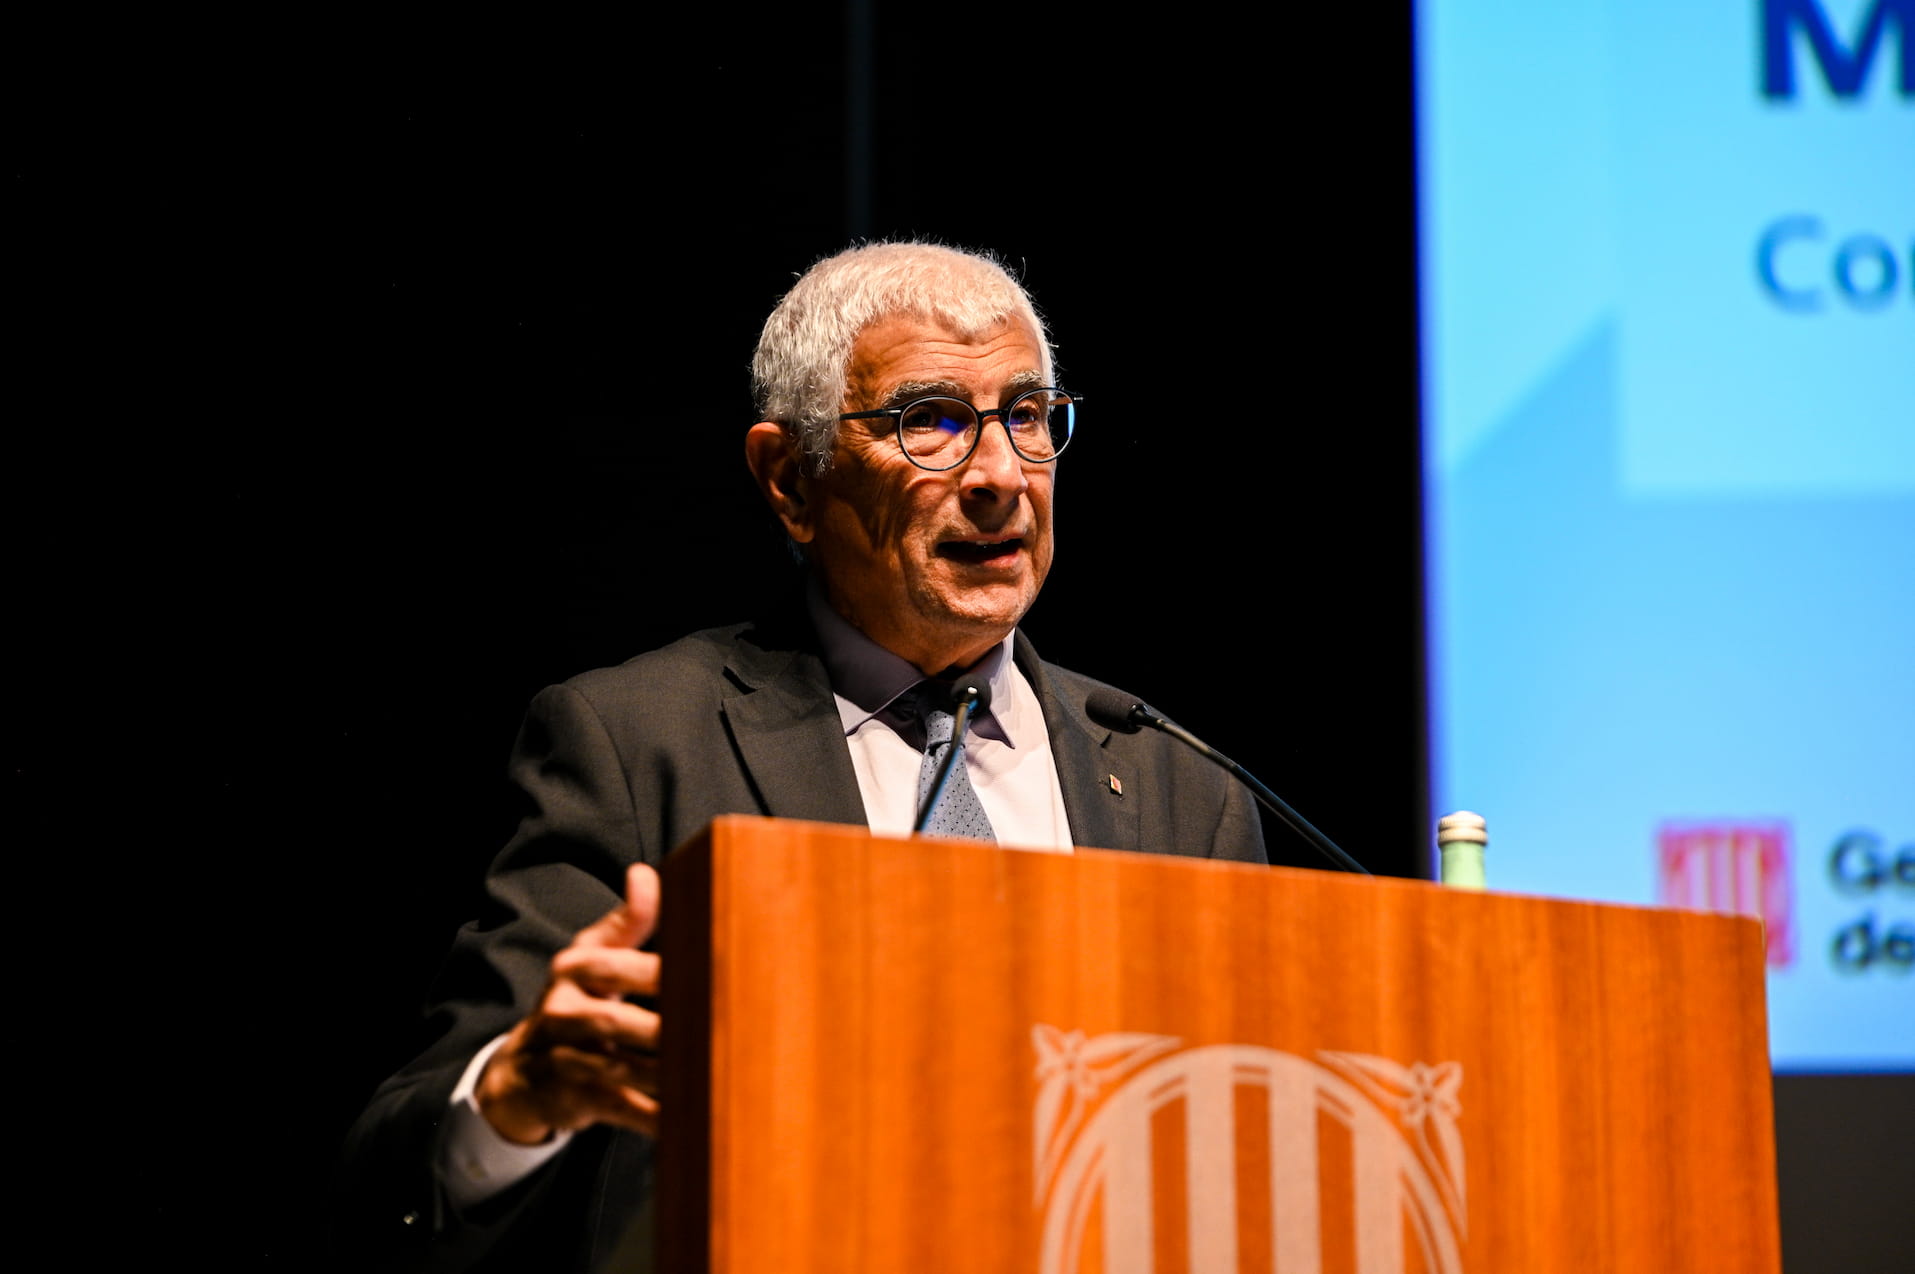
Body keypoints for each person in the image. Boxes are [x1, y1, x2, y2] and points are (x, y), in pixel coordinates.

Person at [339, 242, 1267, 1271]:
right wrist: (517, 1098)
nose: (1002, 475)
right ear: (789, 479)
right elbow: (400, 1170)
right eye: (930, 421)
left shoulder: (1184, 790)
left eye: (1026, 415)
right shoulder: (638, 744)